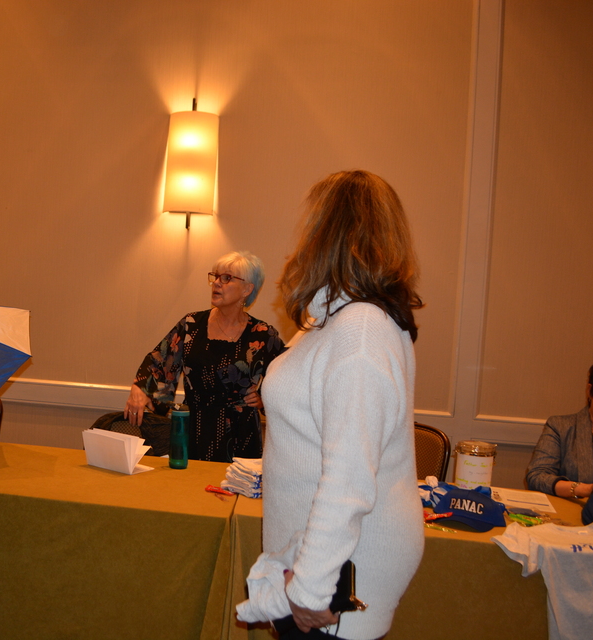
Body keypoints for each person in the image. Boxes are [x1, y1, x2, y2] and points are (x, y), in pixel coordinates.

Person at [237, 170, 424, 639]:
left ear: (331, 234)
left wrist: (309, 591)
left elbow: (349, 476)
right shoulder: (333, 321)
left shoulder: (361, 330)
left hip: (340, 572)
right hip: (315, 558)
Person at [124, 251, 285, 462]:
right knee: (189, 483)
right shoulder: (191, 325)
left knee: (233, 484)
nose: (216, 283)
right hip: (193, 427)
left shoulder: (262, 334)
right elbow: (159, 360)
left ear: (247, 289)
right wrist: (140, 387)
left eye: (226, 278)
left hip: (240, 434)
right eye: (216, 276)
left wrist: (264, 399)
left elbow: (287, 373)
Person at [526, 353, 593, 499]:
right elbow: (537, 477)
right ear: (590, 392)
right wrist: (585, 489)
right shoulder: (561, 427)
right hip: (576, 511)